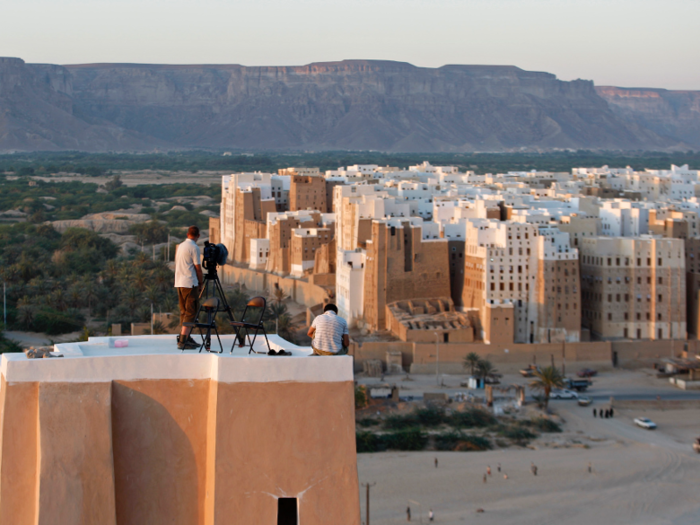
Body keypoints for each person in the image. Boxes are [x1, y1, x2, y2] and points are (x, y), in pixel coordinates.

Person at [175, 225, 203, 350]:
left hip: (180, 282)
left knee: (184, 311)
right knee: (191, 312)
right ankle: (183, 341)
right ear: (198, 236)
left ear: (187, 234)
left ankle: (186, 337)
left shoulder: (181, 246)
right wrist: (201, 283)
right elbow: (198, 267)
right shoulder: (194, 247)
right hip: (189, 283)